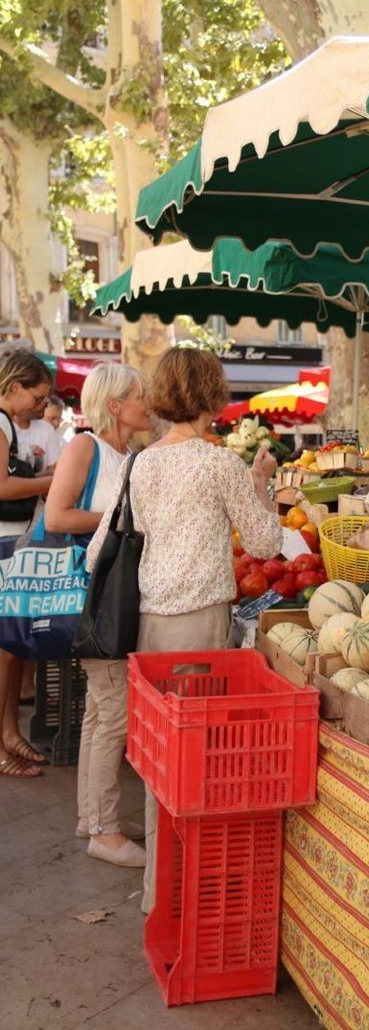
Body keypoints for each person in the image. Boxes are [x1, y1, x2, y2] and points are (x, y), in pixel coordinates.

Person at [86, 348, 282, 904]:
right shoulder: (218, 463)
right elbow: (267, 542)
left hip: (147, 627)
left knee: (159, 758)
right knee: (199, 759)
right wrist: (261, 481)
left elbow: (101, 548)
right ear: (212, 395)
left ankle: (158, 892)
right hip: (198, 627)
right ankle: (189, 891)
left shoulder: (141, 462)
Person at [46, 362, 152, 865]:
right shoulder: (84, 447)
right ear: (115, 404)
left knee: (100, 710)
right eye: (139, 395)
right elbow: (57, 516)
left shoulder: (127, 453)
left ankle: (94, 817)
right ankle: (104, 830)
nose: (147, 403)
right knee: (113, 711)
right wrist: (124, 523)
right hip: (94, 594)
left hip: (111, 592)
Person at [0, 350, 54, 778]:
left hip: (11, 541)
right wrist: (53, 480)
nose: (42, 406)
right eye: (37, 398)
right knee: (3, 651)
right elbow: (1, 486)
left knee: (12, 649)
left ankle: (9, 733)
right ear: (14, 386)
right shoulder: (0, 423)